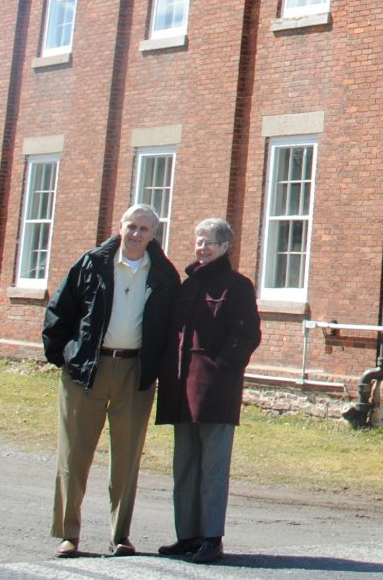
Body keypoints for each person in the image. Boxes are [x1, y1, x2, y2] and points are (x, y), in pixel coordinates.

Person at [43, 204, 180, 558]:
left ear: (154, 234)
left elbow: (169, 328)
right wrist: (63, 357)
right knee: (74, 454)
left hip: (135, 373)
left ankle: (120, 536)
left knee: (127, 457)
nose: (136, 234)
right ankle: (68, 534)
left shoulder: (164, 275)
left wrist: (159, 371)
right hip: (86, 370)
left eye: (144, 229)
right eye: (131, 226)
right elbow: (60, 310)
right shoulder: (92, 263)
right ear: (120, 228)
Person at [155, 217, 261, 565]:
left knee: (213, 465)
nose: (202, 247)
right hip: (181, 387)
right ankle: (188, 535)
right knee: (185, 463)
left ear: (225, 246)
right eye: (199, 240)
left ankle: (211, 537)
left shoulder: (237, 286)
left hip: (215, 389)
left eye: (210, 242)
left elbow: (246, 337)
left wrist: (222, 369)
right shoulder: (187, 286)